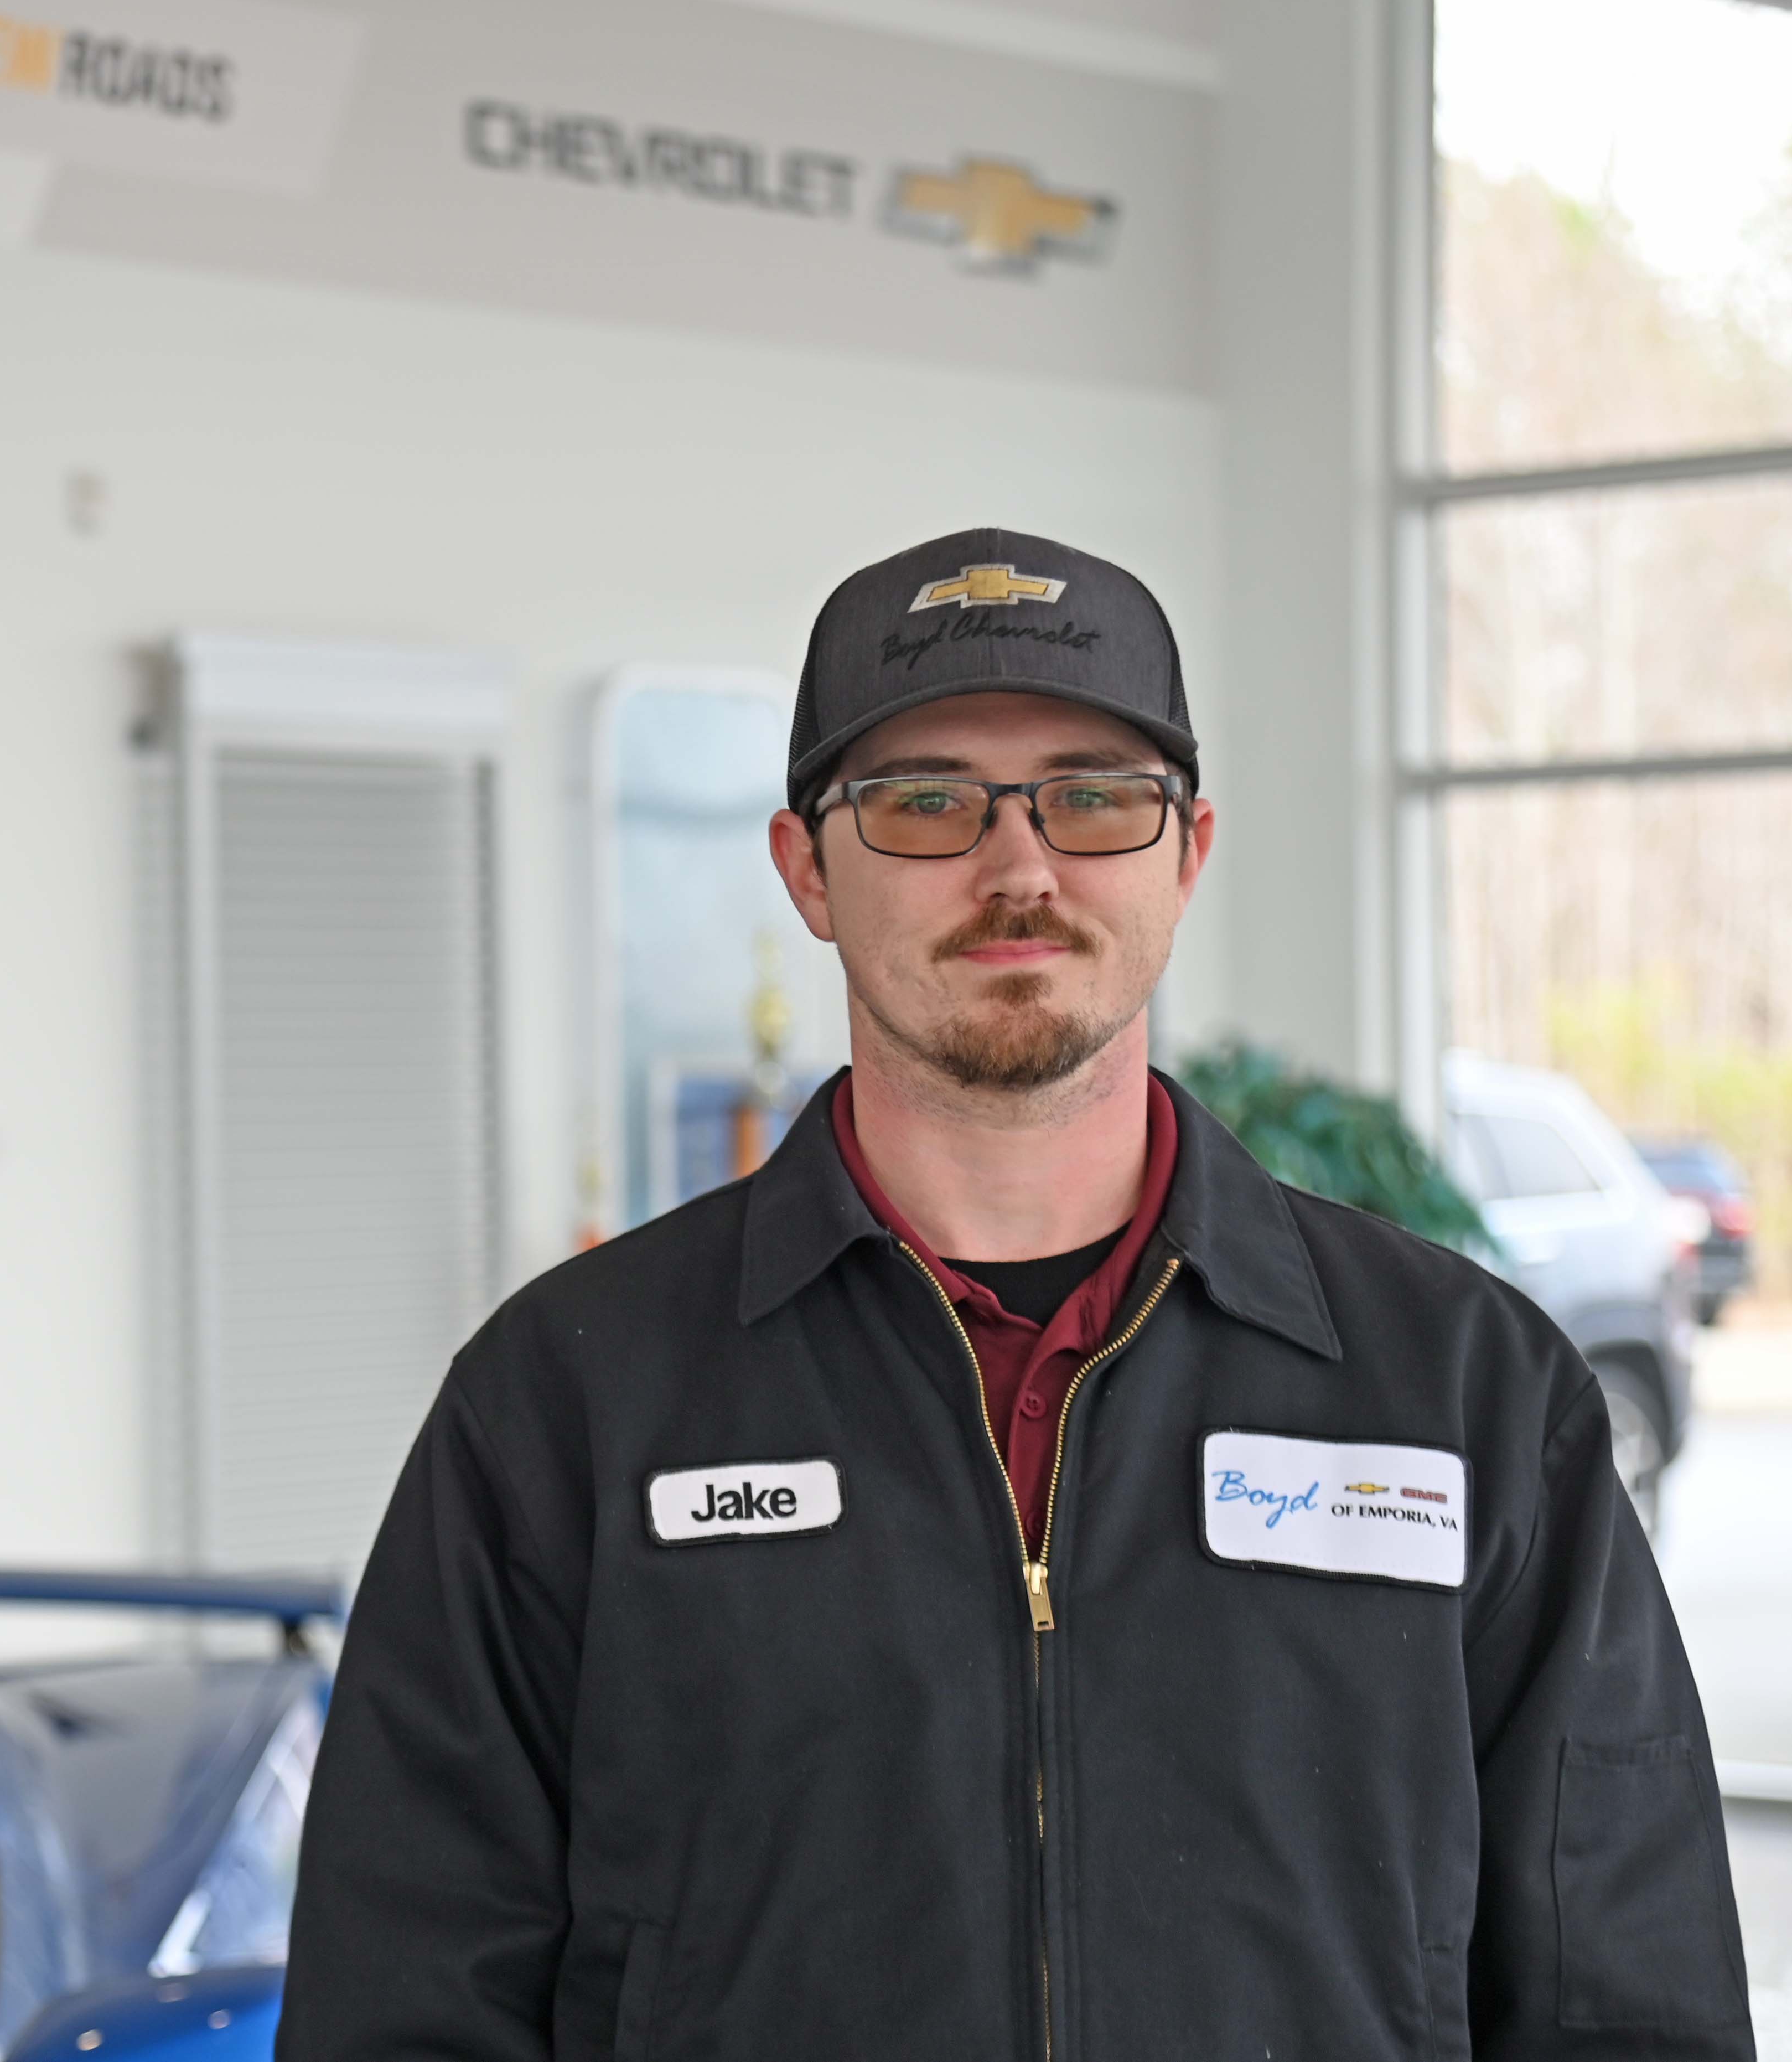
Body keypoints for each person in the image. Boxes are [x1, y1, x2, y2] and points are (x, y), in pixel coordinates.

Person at [279, 528, 1753, 2061]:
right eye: (925, 803)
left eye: (1093, 797)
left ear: (1184, 853)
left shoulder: (1463, 1391)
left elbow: (1625, 2009)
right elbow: (401, 2009)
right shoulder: (568, 1401)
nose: (1019, 867)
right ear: (805, 870)